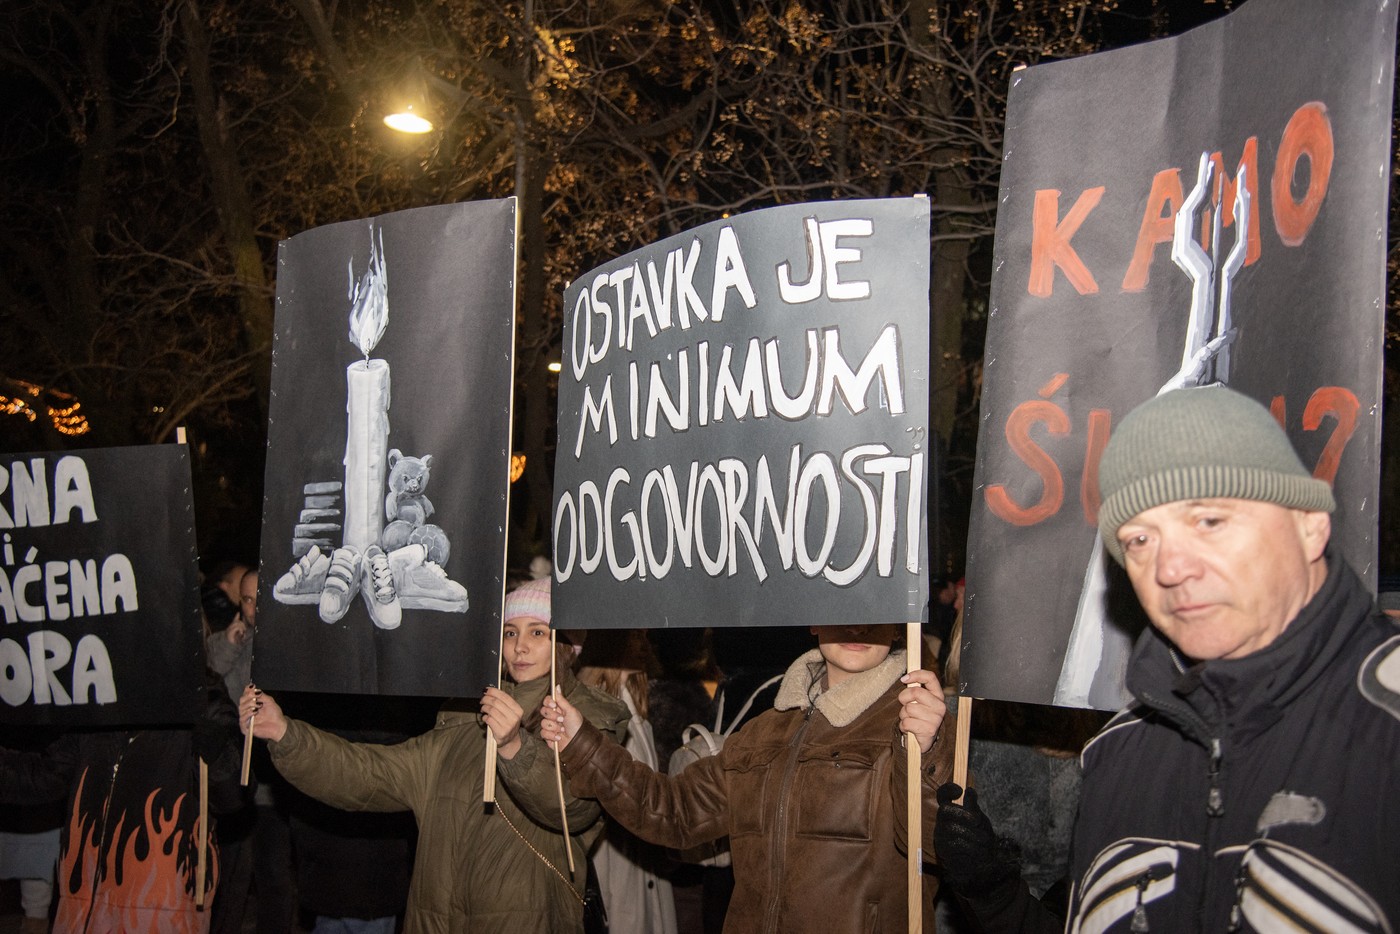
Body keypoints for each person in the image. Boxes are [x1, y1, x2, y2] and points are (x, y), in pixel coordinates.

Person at [936, 386, 1400, 931]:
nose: (1171, 567)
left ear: (1309, 524)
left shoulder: (1385, 726)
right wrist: (993, 896)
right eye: (1138, 540)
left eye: (1209, 521)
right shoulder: (1117, 753)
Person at [238, 578, 629, 933]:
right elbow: (369, 774)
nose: (519, 646)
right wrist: (285, 733)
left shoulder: (589, 718)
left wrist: (514, 747)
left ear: (565, 646)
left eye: (538, 632)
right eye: (510, 632)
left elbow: (576, 809)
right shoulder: (462, 720)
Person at [540, 624, 954, 933]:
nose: (858, 626)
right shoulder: (766, 730)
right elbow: (675, 812)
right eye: (842, 605)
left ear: (900, 628)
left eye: (876, 611)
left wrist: (927, 749)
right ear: (812, 617)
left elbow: (939, 847)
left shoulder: (916, 726)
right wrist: (582, 742)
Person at [0, 674, 244, 933]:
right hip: (82, 905)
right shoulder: (98, 693)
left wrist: (217, 752)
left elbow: (232, 795)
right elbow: (46, 774)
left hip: (160, 908)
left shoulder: (201, 693)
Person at [576, 629, 679, 934]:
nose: (645, 645)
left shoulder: (636, 710)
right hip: (612, 854)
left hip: (643, 853)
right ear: (611, 642)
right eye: (636, 637)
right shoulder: (592, 710)